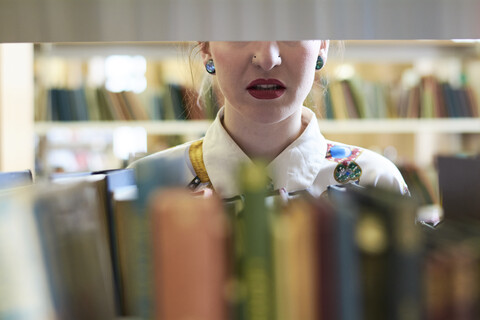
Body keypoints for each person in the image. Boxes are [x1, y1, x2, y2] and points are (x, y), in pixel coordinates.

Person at [129, 41, 409, 199]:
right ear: (206, 49)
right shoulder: (145, 188)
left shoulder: (375, 183)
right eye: (239, 31)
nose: (267, 59)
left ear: (322, 46)